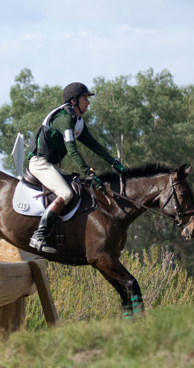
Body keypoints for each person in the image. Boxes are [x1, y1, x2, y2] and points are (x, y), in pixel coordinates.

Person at [27, 82, 126, 254]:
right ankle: (38, 236)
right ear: (74, 101)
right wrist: (88, 171)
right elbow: (72, 150)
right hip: (40, 163)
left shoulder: (77, 121)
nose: (88, 102)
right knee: (66, 194)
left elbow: (94, 145)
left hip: (53, 165)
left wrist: (113, 162)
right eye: (85, 98)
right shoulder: (64, 119)